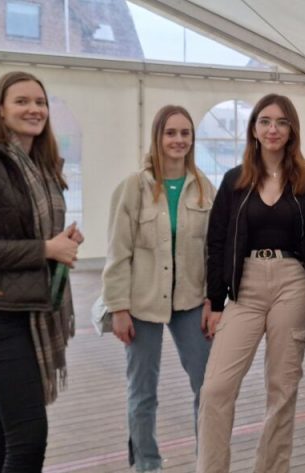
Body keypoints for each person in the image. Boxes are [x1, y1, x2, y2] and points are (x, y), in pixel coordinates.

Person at [0, 71, 82, 472]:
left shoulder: (42, 164)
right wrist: (46, 249)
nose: (34, 109)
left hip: (36, 309)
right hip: (0, 314)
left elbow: (30, 229)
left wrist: (61, 241)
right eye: (21, 101)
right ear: (0, 109)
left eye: (40, 102)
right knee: (29, 438)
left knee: (8, 426)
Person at [197, 93, 305, 473]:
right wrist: (215, 301)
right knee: (216, 388)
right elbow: (217, 241)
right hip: (245, 287)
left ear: (292, 130)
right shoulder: (234, 180)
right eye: (265, 121)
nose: (273, 129)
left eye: (282, 122)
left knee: (281, 391)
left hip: (292, 282)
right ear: (253, 129)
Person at [102, 105, 215, 473]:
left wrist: (213, 301)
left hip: (192, 303)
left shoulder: (205, 189)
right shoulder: (133, 188)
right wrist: (118, 307)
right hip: (141, 305)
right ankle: (147, 464)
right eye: (171, 133)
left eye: (185, 133)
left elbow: (213, 252)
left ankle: (208, 460)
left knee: (208, 387)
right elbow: (118, 252)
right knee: (142, 393)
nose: (178, 140)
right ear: (157, 137)